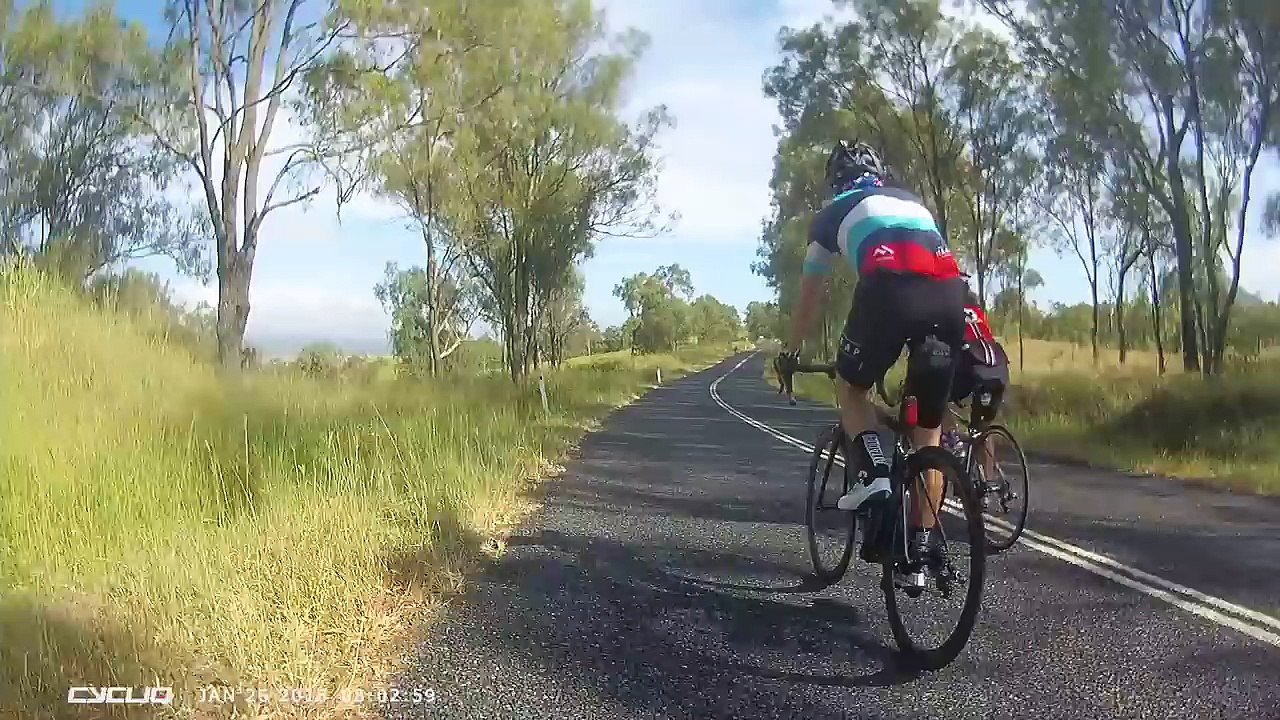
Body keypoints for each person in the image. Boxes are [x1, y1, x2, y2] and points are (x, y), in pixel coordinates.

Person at [775, 140, 966, 565]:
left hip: (889, 292)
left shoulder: (831, 214)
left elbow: (810, 294)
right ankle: (922, 545)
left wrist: (791, 350)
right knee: (927, 432)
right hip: (952, 297)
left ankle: (876, 471)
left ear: (835, 182)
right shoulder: (913, 202)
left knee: (851, 388)